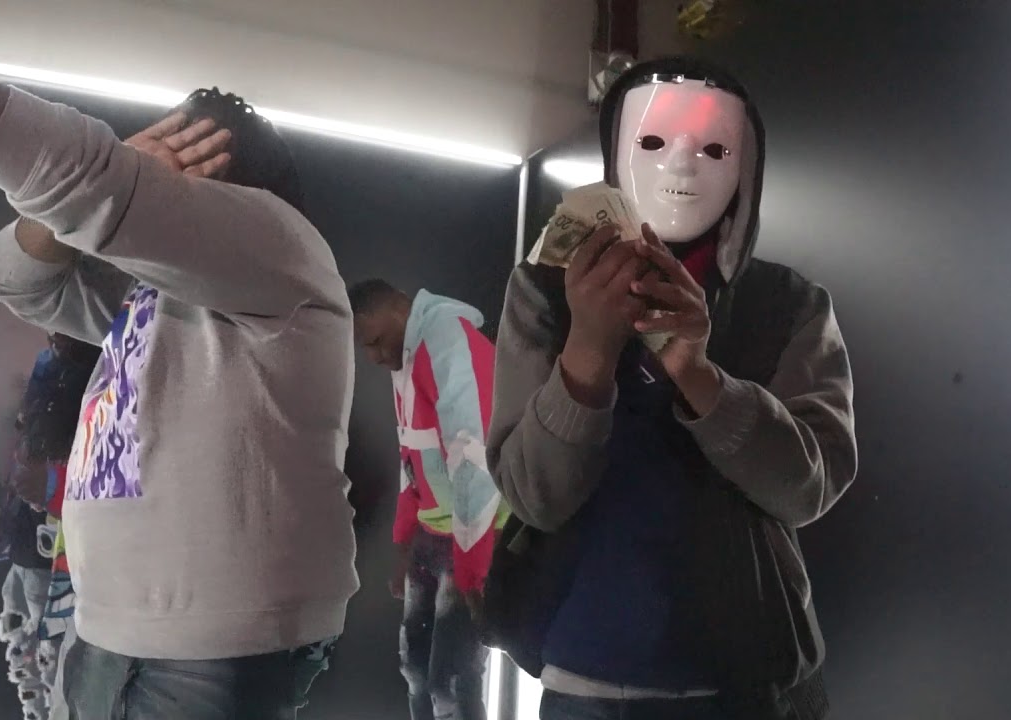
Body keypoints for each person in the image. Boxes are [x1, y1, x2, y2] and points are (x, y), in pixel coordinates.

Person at [0, 10, 359, 718]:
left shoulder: (282, 245)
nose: (157, 173)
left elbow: (83, 181)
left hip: (212, 648)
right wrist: (94, 196)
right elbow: (11, 279)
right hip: (106, 628)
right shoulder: (154, 297)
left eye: (181, 156)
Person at [486, 57, 857, 720]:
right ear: (614, 153)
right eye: (653, 141)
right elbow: (534, 497)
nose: (682, 165)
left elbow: (807, 489)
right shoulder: (543, 289)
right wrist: (588, 350)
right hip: (583, 673)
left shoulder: (790, 304)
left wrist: (700, 375)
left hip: (746, 680)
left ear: (746, 166)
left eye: (714, 148)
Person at [349, 279, 509, 720]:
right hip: (433, 533)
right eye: (365, 348)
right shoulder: (408, 353)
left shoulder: (446, 338)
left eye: (376, 341)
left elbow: (474, 455)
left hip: (475, 533)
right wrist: (404, 541)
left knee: (451, 681)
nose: (373, 357)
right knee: (416, 670)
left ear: (402, 309)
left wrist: (473, 569)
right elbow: (412, 453)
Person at [0, 333, 100, 720]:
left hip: (57, 556)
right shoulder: (46, 370)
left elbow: (104, 475)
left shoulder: (97, 377)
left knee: (53, 658)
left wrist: (50, 486)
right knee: (24, 649)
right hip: (27, 546)